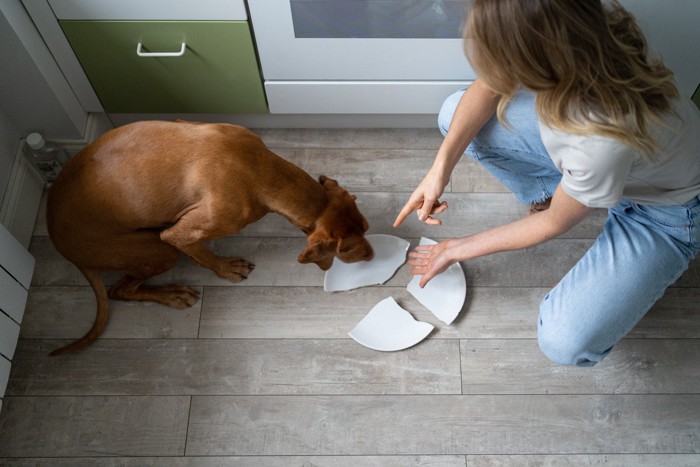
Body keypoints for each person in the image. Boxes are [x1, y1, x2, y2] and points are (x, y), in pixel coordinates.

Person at [393, 0, 700, 366]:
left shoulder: (597, 139)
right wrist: (438, 170)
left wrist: (455, 249)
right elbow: (490, 85)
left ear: (532, 61)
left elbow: (554, 222)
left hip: (666, 212)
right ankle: (557, 193)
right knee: (453, 116)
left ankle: (586, 220)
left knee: (563, 341)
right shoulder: (580, 27)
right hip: (612, 163)